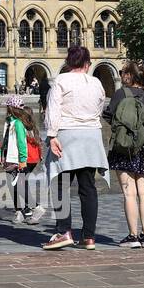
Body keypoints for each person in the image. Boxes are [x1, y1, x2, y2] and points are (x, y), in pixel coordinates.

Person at [42, 45, 109, 250]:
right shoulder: (97, 83)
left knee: (60, 185)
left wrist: (51, 135)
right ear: (87, 64)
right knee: (88, 187)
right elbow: (99, 108)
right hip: (91, 137)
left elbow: (53, 109)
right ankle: (88, 236)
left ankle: (64, 232)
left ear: (69, 63)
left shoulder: (61, 80)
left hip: (67, 135)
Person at [105, 61, 144, 248]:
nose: (121, 76)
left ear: (129, 75)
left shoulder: (121, 94)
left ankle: (132, 236)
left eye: (122, 73)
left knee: (129, 192)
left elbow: (108, 115)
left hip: (124, 146)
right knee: (143, 191)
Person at [1, 95, 44, 224]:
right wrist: (1, 153)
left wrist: (23, 160)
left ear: (11, 108)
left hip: (16, 159)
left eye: (7, 107)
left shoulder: (18, 124)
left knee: (19, 185)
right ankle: (19, 211)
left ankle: (36, 208)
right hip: (8, 158)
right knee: (13, 185)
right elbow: (6, 141)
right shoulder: (9, 122)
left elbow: (21, 143)